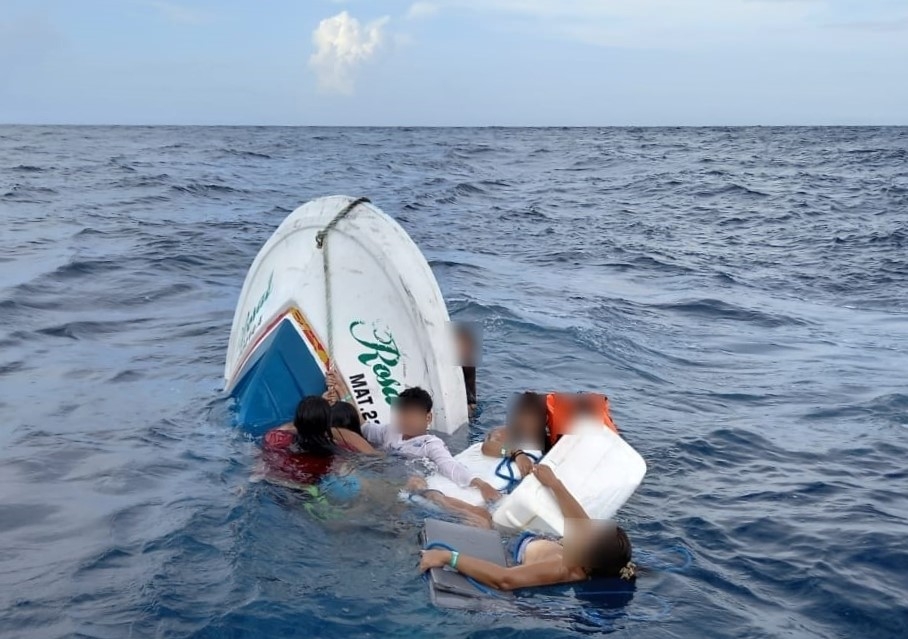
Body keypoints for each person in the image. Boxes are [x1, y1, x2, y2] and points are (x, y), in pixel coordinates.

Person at [419, 464, 636, 589]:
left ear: (586, 560)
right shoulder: (595, 556)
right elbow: (578, 521)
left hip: (507, 551)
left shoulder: (562, 569)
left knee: (481, 516)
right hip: (530, 539)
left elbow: (505, 580)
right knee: (495, 501)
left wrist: (448, 557)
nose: (584, 529)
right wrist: (554, 483)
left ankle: (430, 496)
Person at [362, 387, 501, 504]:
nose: (406, 420)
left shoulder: (430, 444)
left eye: (412, 415)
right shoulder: (390, 431)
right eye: (403, 414)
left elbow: (450, 465)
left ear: (428, 418)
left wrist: (481, 484)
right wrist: (345, 395)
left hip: (407, 485)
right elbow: (364, 428)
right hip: (383, 475)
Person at [480, 391, 549, 477]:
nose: (525, 421)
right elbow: (487, 448)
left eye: (531, 416)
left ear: (544, 419)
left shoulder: (549, 442)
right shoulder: (507, 433)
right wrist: (516, 453)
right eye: (522, 414)